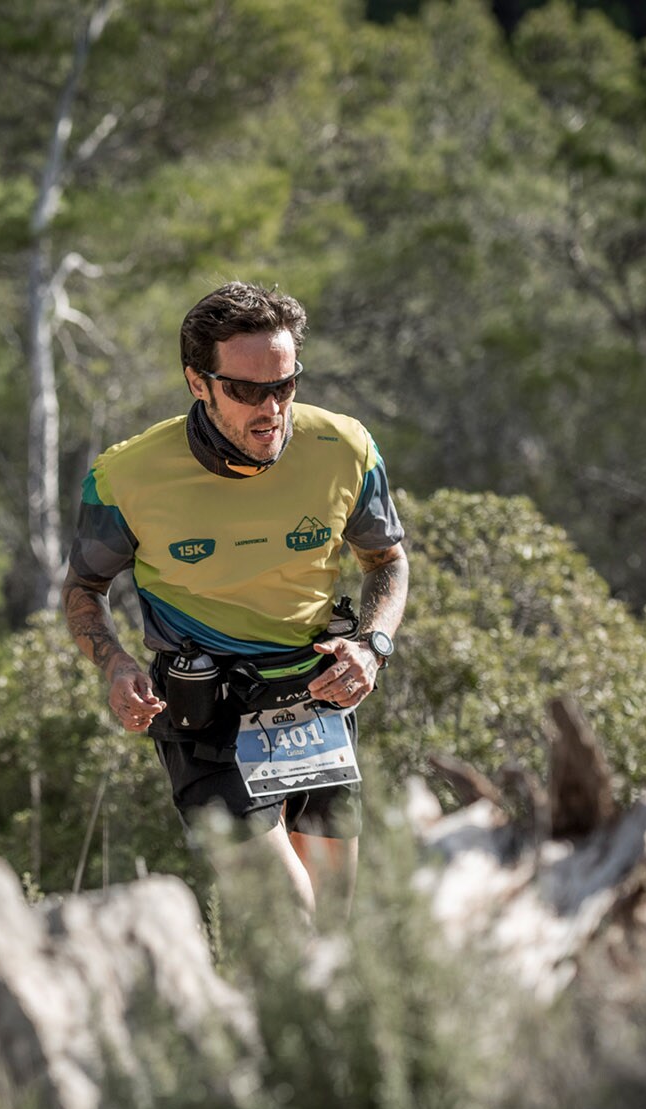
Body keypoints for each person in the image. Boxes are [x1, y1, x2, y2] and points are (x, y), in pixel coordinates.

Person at [62, 282, 408, 917]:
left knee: (336, 922)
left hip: (318, 698)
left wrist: (373, 646)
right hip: (206, 713)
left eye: (285, 385)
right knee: (289, 916)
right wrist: (115, 666)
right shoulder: (129, 475)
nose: (270, 407)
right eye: (246, 390)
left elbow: (386, 560)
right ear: (199, 382)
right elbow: (84, 587)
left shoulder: (345, 449)